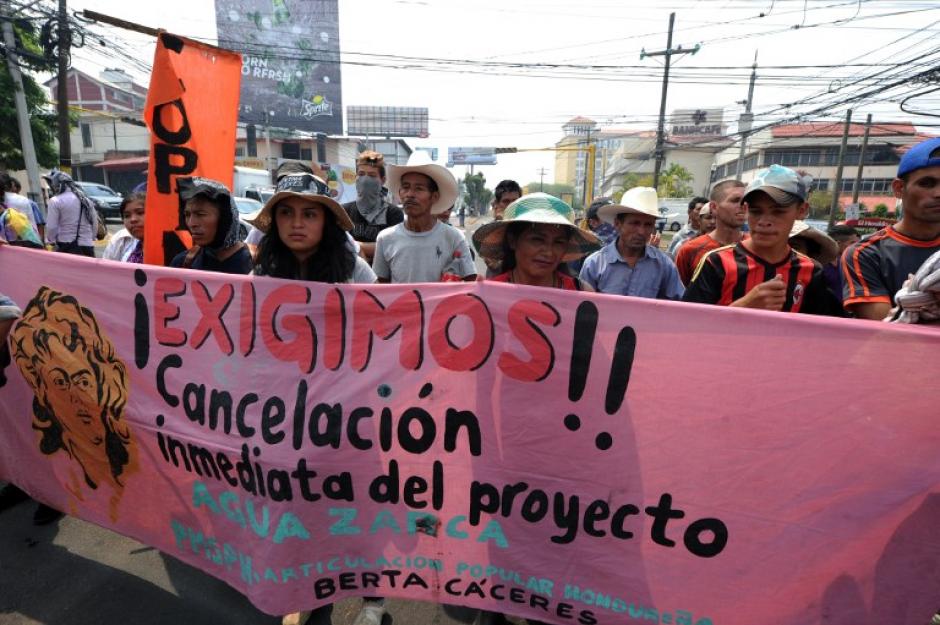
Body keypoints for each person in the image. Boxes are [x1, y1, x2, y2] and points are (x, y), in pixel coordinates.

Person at [683, 164, 842, 315]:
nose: (764, 221)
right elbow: (688, 325)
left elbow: (819, 332)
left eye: (778, 212)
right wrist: (744, 306)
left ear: (801, 211)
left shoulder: (811, 270)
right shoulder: (717, 263)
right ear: (745, 210)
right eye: (756, 211)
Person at [842, 136, 940, 320]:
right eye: (927, 183)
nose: (938, 193)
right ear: (899, 189)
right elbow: (885, 326)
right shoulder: (865, 253)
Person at [251, 171, 376, 283]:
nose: (297, 224)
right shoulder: (260, 275)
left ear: (326, 221)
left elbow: (380, 307)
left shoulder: (354, 270)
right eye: (286, 213)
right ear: (275, 219)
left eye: (309, 215)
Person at [372, 158, 477, 284]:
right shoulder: (385, 238)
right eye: (405, 187)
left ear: (434, 196)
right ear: (400, 194)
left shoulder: (454, 238)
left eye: (419, 189)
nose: (410, 194)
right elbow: (380, 289)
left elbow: (471, 284)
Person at [473, 192, 599, 290]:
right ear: (512, 240)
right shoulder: (491, 293)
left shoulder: (582, 294)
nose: (549, 253)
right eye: (537, 240)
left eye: (559, 242)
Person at [578, 187, 684, 299]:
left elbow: (678, 304)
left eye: (648, 225)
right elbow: (583, 307)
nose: (641, 231)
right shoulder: (594, 264)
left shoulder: (664, 265)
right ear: (617, 224)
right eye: (634, 223)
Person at [169, 177, 252, 274]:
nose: (191, 223)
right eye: (187, 215)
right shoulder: (182, 264)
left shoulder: (259, 266)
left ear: (224, 219)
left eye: (200, 214)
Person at [675, 181, 747, 286]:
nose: (743, 205)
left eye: (746, 201)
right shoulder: (689, 250)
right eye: (735, 200)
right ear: (714, 207)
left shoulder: (759, 247)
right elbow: (678, 296)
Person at [342, 151, 404, 263]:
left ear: (383, 180)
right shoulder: (343, 211)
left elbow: (394, 247)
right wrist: (372, 248)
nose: (365, 180)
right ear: (355, 178)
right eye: (361, 174)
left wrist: (357, 246)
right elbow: (338, 246)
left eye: (372, 175)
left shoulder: (393, 213)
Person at [43, 170, 99, 257]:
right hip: (88, 246)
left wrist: (50, 241)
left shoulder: (55, 200)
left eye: (51, 184)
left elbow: (52, 227)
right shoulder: (86, 200)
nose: (51, 187)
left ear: (58, 184)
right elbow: (94, 223)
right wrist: (90, 238)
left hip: (66, 246)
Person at [102, 193, 146, 263]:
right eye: (127, 216)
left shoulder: (168, 247)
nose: (133, 219)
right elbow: (106, 269)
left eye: (140, 213)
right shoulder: (120, 238)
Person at [822, 225, 859, 301]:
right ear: (838, 244)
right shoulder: (818, 265)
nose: (856, 246)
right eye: (852, 243)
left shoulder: (848, 263)